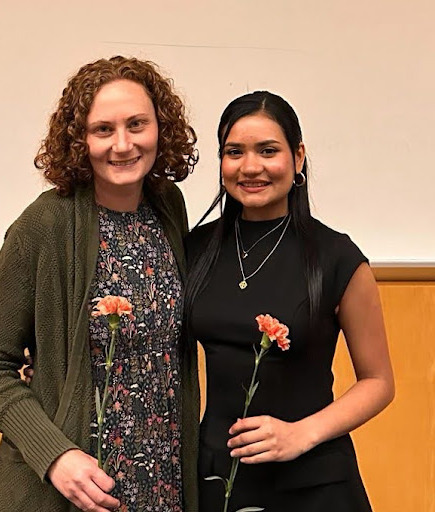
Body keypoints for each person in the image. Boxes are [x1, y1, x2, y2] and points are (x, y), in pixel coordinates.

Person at [0, 55, 200, 512]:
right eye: (103, 130)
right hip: (75, 489)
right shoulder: (43, 226)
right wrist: (56, 456)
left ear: (162, 128)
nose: (123, 144)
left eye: (137, 124)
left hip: (163, 482)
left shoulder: (168, 207)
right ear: (79, 138)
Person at [184, 91, 394, 512]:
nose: (250, 167)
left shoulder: (336, 257)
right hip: (217, 477)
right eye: (234, 152)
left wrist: (302, 434)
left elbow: (379, 383)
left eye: (268, 151)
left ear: (297, 158)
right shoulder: (196, 249)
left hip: (312, 483)